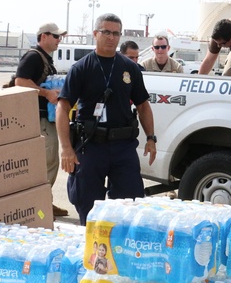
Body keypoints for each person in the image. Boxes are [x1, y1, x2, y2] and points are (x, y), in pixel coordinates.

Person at [57, 14, 157, 224]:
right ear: (95, 34)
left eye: (116, 33)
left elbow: (143, 105)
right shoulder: (81, 68)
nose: (111, 37)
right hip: (91, 146)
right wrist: (66, 148)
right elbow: (63, 106)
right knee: (88, 205)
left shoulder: (130, 68)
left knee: (129, 203)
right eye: (106, 32)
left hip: (123, 147)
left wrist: (151, 138)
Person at [15, 22, 67, 217]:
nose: (58, 40)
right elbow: (20, 82)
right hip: (39, 119)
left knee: (49, 161)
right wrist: (46, 93)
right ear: (43, 36)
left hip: (45, 118)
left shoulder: (44, 59)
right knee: (48, 161)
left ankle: (45, 201)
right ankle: (39, 205)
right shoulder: (33, 58)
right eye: (55, 36)